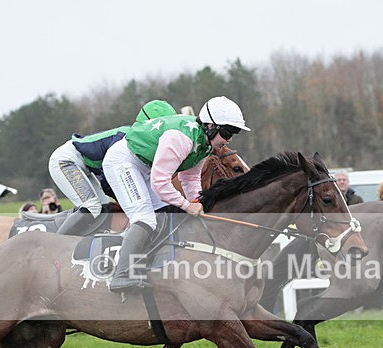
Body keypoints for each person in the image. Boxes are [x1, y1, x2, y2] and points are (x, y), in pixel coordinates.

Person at [102, 95, 250, 292]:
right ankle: (121, 275)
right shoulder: (182, 139)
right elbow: (160, 182)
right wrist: (187, 206)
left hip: (144, 166)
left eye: (234, 133)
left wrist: (197, 202)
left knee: (166, 212)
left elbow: (190, 178)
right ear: (209, 126)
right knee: (145, 217)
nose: (228, 139)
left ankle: (146, 264)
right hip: (123, 162)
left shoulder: (204, 144)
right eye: (226, 132)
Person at [48, 100, 178, 236]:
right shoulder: (125, 139)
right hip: (66, 160)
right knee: (92, 206)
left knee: (104, 208)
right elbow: (108, 179)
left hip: (84, 166)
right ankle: (55, 241)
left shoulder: (139, 140)